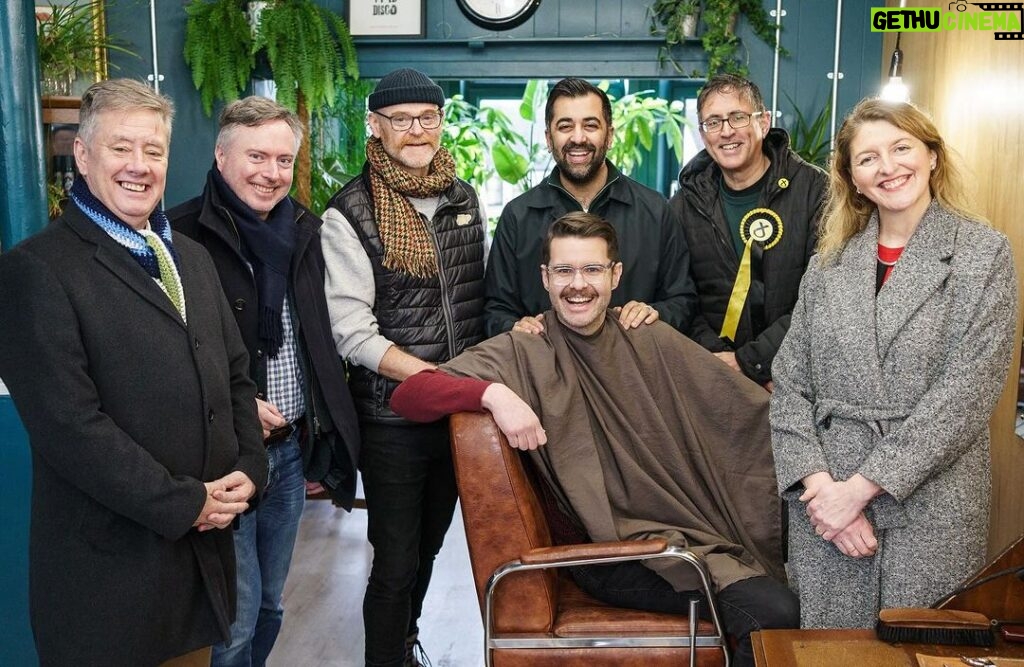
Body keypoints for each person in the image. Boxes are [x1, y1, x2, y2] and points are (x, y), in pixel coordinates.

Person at [392, 212, 799, 667]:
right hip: (606, 553)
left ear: (615, 275)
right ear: (545, 278)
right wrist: (494, 393)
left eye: (592, 270)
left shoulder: (644, 333)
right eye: (564, 271)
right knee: (771, 610)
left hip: (683, 530)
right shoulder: (526, 348)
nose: (577, 285)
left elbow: (737, 411)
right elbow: (410, 394)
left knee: (796, 576)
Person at [0, 79, 267, 666]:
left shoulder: (189, 258)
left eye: (154, 150)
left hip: (197, 575)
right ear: (84, 155)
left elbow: (236, 376)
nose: (139, 167)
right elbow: (71, 429)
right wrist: (185, 503)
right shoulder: (35, 271)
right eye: (121, 148)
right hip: (108, 582)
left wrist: (251, 466)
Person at [770, 98, 1018, 629]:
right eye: (868, 158)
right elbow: (790, 385)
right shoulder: (828, 265)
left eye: (902, 148)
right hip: (828, 511)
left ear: (931, 156)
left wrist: (860, 490)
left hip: (930, 506)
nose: (888, 168)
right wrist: (820, 491)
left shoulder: (984, 254)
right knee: (828, 657)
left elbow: (965, 397)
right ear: (852, 179)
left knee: (916, 652)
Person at [168, 96, 361, 666]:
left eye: (283, 160)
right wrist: (237, 403)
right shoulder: (178, 235)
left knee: (273, 605)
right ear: (221, 155)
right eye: (257, 156)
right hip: (223, 457)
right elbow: (166, 350)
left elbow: (317, 336)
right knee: (236, 616)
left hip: (292, 452)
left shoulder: (307, 230)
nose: (270, 173)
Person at [320, 68, 486, 667]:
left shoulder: (462, 198)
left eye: (428, 117)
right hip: (391, 419)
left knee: (431, 546)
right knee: (394, 560)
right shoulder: (349, 211)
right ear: (375, 126)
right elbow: (352, 332)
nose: (416, 130)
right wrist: (432, 379)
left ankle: (404, 643)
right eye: (400, 119)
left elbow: (476, 303)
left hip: (455, 416)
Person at [485, 77, 697, 337]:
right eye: (565, 126)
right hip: (544, 370)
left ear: (609, 135)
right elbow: (495, 310)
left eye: (590, 125)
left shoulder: (655, 210)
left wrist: (656, 314)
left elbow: (683, 300)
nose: (578, 137)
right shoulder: (518, 216)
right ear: (549, 138)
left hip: (633, 370)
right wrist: (514, 327)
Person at [670, 74, 826, 389]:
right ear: (703, 134)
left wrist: (753, 361)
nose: (726, 131)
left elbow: (824, 296)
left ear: (764, 122)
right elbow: (680, 296)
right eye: (712, 123)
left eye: (738, 118)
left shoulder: (815, 190)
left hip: (796, 380)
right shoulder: (684, 205)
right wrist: (720, 359)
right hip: (715, 379)